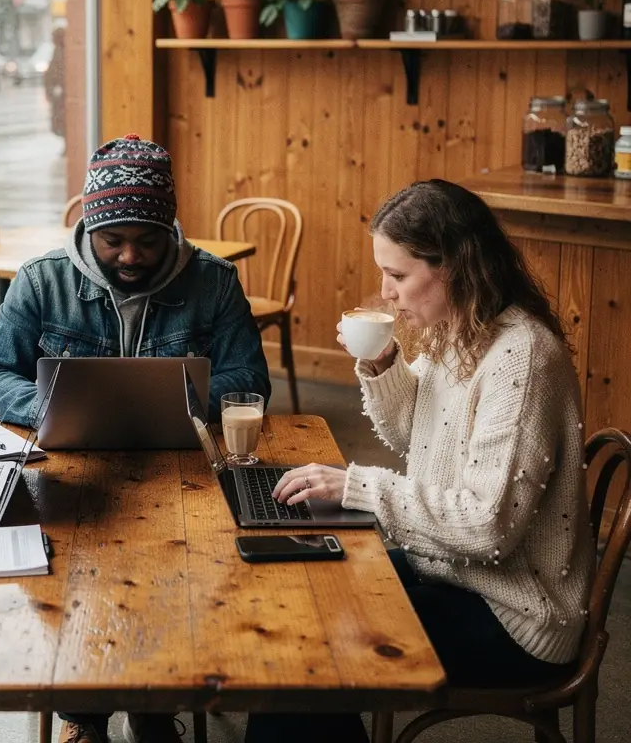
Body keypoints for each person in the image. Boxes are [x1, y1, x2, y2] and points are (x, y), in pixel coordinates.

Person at [246, 179, 594, 743]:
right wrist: (384, 363)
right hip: (454, 570)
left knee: (308, 657)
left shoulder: (520, 360)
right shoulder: (460, 331)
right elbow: (416, 436)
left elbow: (488, 526)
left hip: (515, 614)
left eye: (399, 275)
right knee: (302, 604)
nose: (386, 292)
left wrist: (357, 488)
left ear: (456, 266)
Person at [0, 133, 270, 743]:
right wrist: (54, 406)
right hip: (73, 469)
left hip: (181, 471)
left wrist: (173, 399)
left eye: (147, 240)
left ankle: (155, 706)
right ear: (89, 228)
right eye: (114, 241)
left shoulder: (215, 281)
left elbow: (250, 380)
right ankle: (85, 715)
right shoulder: (41, 281)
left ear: (171, 230)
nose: (131, 255)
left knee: (177, 583)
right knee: (75, 587)